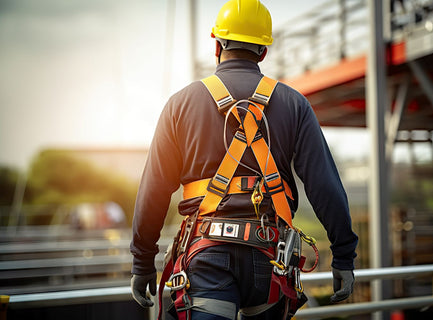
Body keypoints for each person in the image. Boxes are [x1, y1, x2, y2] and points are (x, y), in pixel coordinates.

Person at [130, 0, 358, 319]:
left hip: (206, 255)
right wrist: (343, 257)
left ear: (217, 44)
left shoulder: (180, 105)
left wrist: (142, 263)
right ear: (263, 51)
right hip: (271, 256)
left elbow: (153, 192)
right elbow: (325, 186)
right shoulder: (295, 105)